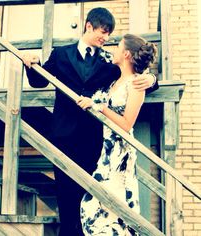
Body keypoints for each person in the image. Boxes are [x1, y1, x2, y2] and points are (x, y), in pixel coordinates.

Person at [22, 8, 158, 236]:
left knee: (90, 199)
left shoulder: (109, 62)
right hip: (63, 137)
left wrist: (152, 79)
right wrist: (30, 63)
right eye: (103, 32)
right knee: (65, 198)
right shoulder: (61, 54)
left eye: (109, 34)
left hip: (94, 140)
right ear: (89, 26)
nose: (106, 38)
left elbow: (132, 76)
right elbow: (38, 82)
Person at [77, 34, 157, 235]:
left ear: (127, 54)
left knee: (113, 207)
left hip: (120, 152)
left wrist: (100, 107)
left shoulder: (136, 84)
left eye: (118, 47)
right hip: (106, 148)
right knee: (93, 207)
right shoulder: (114, 81)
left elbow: (126, 123)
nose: (114, 50)